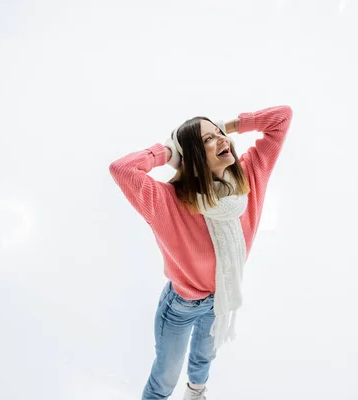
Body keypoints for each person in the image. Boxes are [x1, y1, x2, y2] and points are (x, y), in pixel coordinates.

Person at [109, 105, 293, 400]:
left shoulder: (248, 181)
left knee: (204, 359)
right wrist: (168, 152)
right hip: (181, 306)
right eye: (208, 139)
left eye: (220, 134)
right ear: (192, 155)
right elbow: (122, 169)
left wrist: (227, 126)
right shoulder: (166, 202)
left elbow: (281, 117)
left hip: (221, 298)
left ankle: (195, 393)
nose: (222, 139)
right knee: (165, 377)